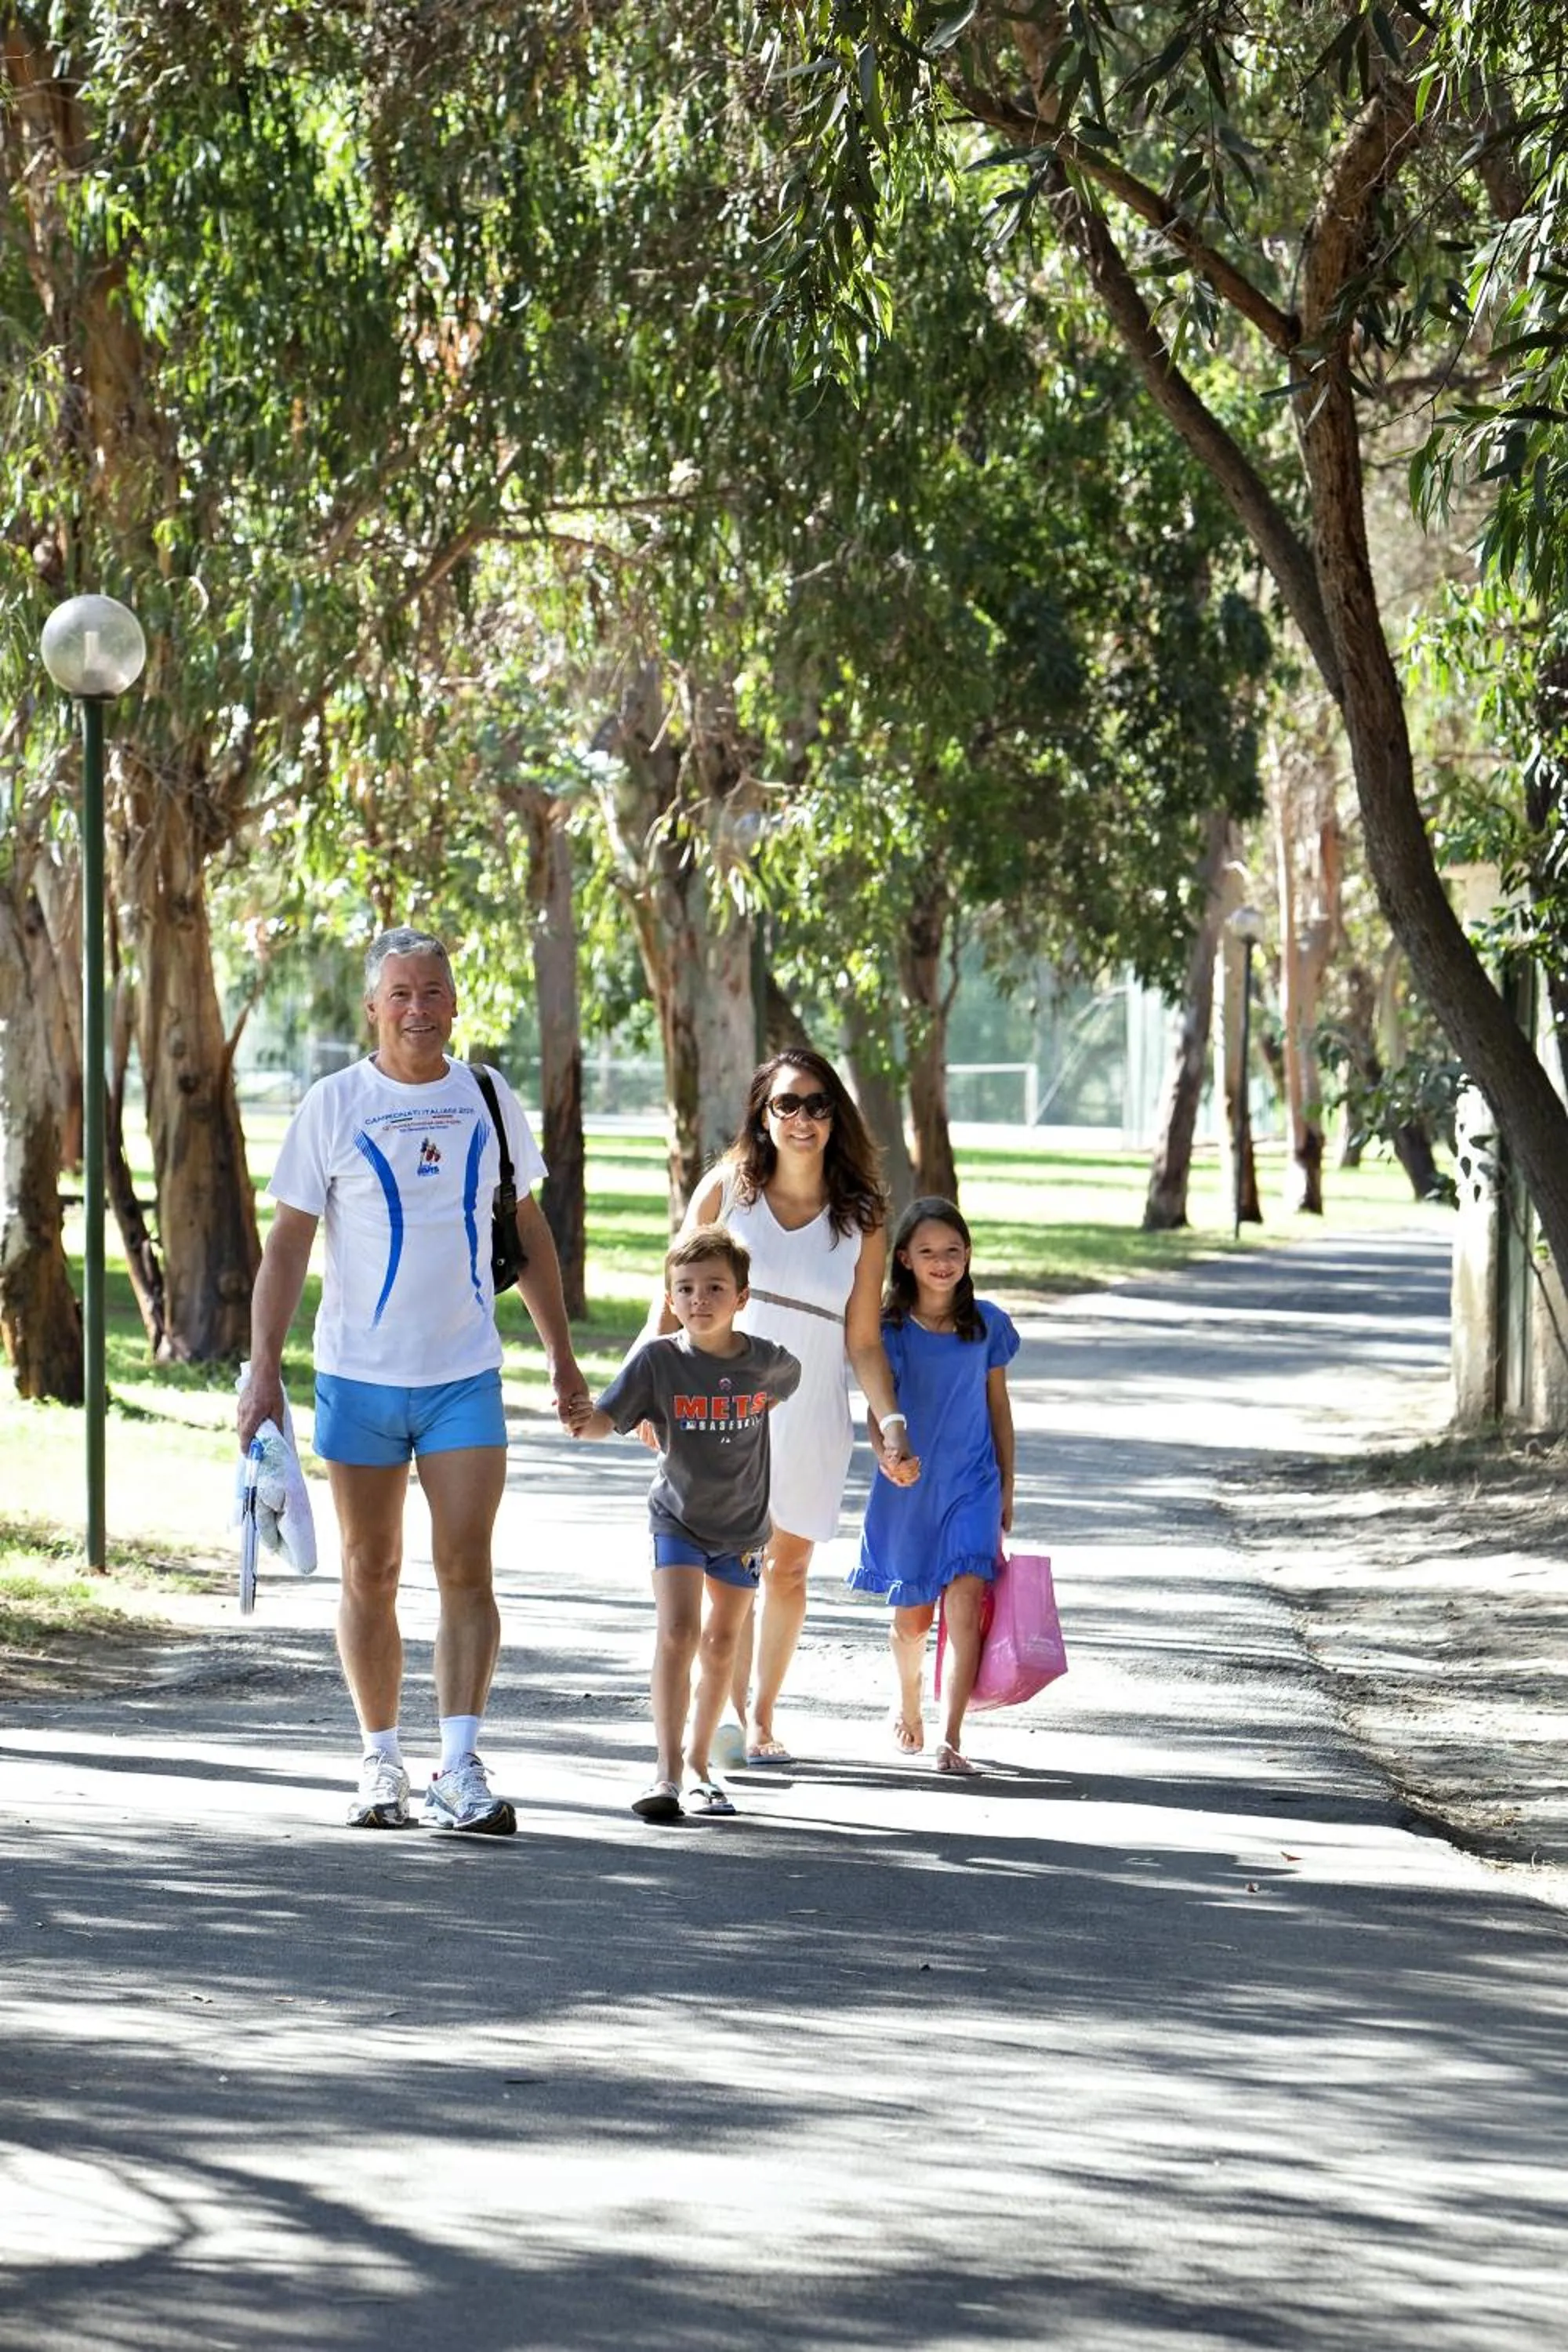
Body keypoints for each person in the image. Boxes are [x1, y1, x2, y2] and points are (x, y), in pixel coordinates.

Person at [238, 925, 589, 1835]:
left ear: (455, 1001)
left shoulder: (486, 1096)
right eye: (400, 993)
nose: (418, 1009)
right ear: (372, 1007)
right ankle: (379, 1763)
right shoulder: (334, 1103)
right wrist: (262, 1370)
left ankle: (459, 1766)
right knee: (370, 1568)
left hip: (462, 1375)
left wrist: (558, 1354)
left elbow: (531, 1229)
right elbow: (287, 1243)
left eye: (432, 991)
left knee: (466, 1567)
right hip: (357, 1378)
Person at [656, 1051, 917, 1765]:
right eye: (787, 1105)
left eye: (817, 1105)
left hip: (811, 1411)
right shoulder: (726, 1192)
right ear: (763, 1116)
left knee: (789, 1569)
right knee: (733, 1561)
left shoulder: (862, 1219)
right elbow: (673, 1292)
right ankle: (729, 1714)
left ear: (837, 1116)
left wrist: (890, 1423)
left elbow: (864, 1341)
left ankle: (764, 1712)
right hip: (721, 1402)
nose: (802, 1119)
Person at [568, 1226, 800, 1820]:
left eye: (715, 1287)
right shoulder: (658, 1362)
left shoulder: (767, 1363)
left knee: (722, 1643)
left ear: (741, 1298)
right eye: (686, 1289)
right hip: (676, 1520)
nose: (700, 1300)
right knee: (678, 1634)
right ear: (670, 1299)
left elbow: (785, 1384)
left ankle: (701, 1768)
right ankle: (666, 1773)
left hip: (744, 1528)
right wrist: (579, 1417)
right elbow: (604, 1420)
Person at [848, 1196, 1018, 1776]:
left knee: (966, 1605)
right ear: (904, 1259)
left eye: (952, 1251)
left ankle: (951, 1737)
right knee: (914, 1617)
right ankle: (908, 1698)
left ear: (968, 1254)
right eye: (928, 1252)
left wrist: (1007, 1488)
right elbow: (878, 1404)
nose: (942, 1262)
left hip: (973, 1485)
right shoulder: (890, 1328)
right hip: (911, 1486)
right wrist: (885, 1454)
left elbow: (999, 1407)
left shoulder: (988, 1324)